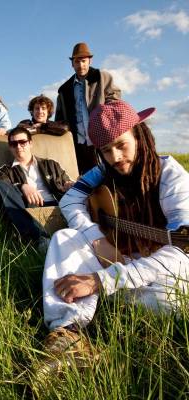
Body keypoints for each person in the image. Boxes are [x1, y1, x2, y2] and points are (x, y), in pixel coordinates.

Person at [41, 100, 189, 369]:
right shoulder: (103, 171)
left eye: (122, 145)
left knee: (172, 302)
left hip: (157, 271)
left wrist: (100, 280)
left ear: (140, 135)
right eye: (106, 150)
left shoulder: (171, 177)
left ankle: (94, 304)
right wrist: (96, 237)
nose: (116, 157)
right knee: (63, 238)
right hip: (116, 257)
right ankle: (68, 335)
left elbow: (179, 252)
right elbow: (70, 200)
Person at [0, 127, 73, 251]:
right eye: (14, 144)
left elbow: (68, 182)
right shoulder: (6, 170)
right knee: (2, 187)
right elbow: (2, 187)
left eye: (22, 142)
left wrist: (69, 185)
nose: (18, 146)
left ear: (30, 143)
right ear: (10, 147)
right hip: (27, 205)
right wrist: (22, 186)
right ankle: (39, 238)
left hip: (55, 201)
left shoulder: (50, 164)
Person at [55, 43, 121, 174]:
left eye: (84, 61)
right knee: (86, 178)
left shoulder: (102, 77)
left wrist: (104, 118)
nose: (81, 65)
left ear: (90, 61)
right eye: (77, 61)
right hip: (79, 145)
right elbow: (60, 118)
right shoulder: (64, 89)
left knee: (111, 174)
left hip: (103, 139)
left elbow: (114, 99)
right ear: (72, 64)